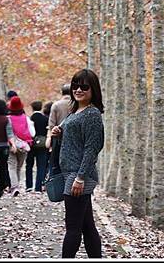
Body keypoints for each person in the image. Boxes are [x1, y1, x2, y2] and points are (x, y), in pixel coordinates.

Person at [50, 69, 104, 258]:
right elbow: (76, 140)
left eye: (84, 86)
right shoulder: (75, 111)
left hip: (79, 175)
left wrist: (80, 177)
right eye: (75, 85)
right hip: (71, 173)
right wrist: (60, 132)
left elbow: (92, 148)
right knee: (87, 226)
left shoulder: (92, 114)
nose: (78, 89)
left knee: (72, 228)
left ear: (93, 89)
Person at [7, 96, 35, 197]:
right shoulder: (25, 118)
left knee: (11, 166)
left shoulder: (8, 119)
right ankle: (16, 185)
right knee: (19, 167)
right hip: (24, 145)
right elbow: (32, 133)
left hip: (11, 144)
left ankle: (14, 186)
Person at [46, 84, 71, 177]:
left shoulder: (56, 105)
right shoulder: (76, 104)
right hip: (74, 138)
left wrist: (49, 139)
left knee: (56, 163)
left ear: (62, 93)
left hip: (58, 138)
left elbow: (51, 124)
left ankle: (57, 185)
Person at [25, 101, 49, 192]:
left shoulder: (30, 119)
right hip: (43, 144)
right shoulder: (45, 119)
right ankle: (38, 187)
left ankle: (29, 186)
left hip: (31, 144)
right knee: (41, 165)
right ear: (41, 107)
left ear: (32, 108)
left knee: (29, 165)